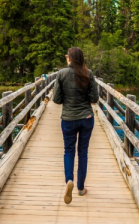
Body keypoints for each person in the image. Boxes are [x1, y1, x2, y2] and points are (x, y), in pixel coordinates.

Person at [52, 47, 99, 204]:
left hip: (68, 119)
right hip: (86, 118)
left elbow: (57, 100)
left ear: (70, 58)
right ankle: (80, 188)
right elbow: (94, 98)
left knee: (69, 150)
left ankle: (69, 180)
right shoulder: (88, 73)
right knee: (83, 152)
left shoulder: (61, 74)